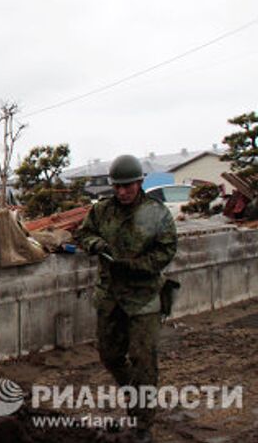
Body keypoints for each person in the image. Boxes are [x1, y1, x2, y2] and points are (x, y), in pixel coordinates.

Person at [77, 154, 177, 442]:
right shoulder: (102, 211)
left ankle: (142, 424)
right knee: (109, 355)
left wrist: (136, 265)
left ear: (139, 183)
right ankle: (134, 393)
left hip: (143, 297)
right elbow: (84, 233)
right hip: (110, 296)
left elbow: (167, 249)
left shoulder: (156, 213)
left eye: (128, 186)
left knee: (143, 360)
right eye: (117, 186)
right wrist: (95, 243)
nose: (122, 192)